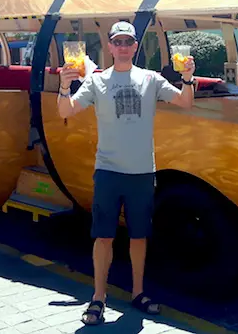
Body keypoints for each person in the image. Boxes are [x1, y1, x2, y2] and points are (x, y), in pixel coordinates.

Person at [56, 21, 196, 326]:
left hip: (142, 172)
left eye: (127, 42)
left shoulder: (151, 79)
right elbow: (66, 111)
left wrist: (188, 78)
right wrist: (65, 85)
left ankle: (138, 292)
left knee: (139, 236)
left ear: (135, 47)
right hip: (107, 170)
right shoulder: (97, 81)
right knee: (103, 237)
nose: (122, 47)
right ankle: (98, 298)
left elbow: (185, 101)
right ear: (109, 47)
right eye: (117, 42)